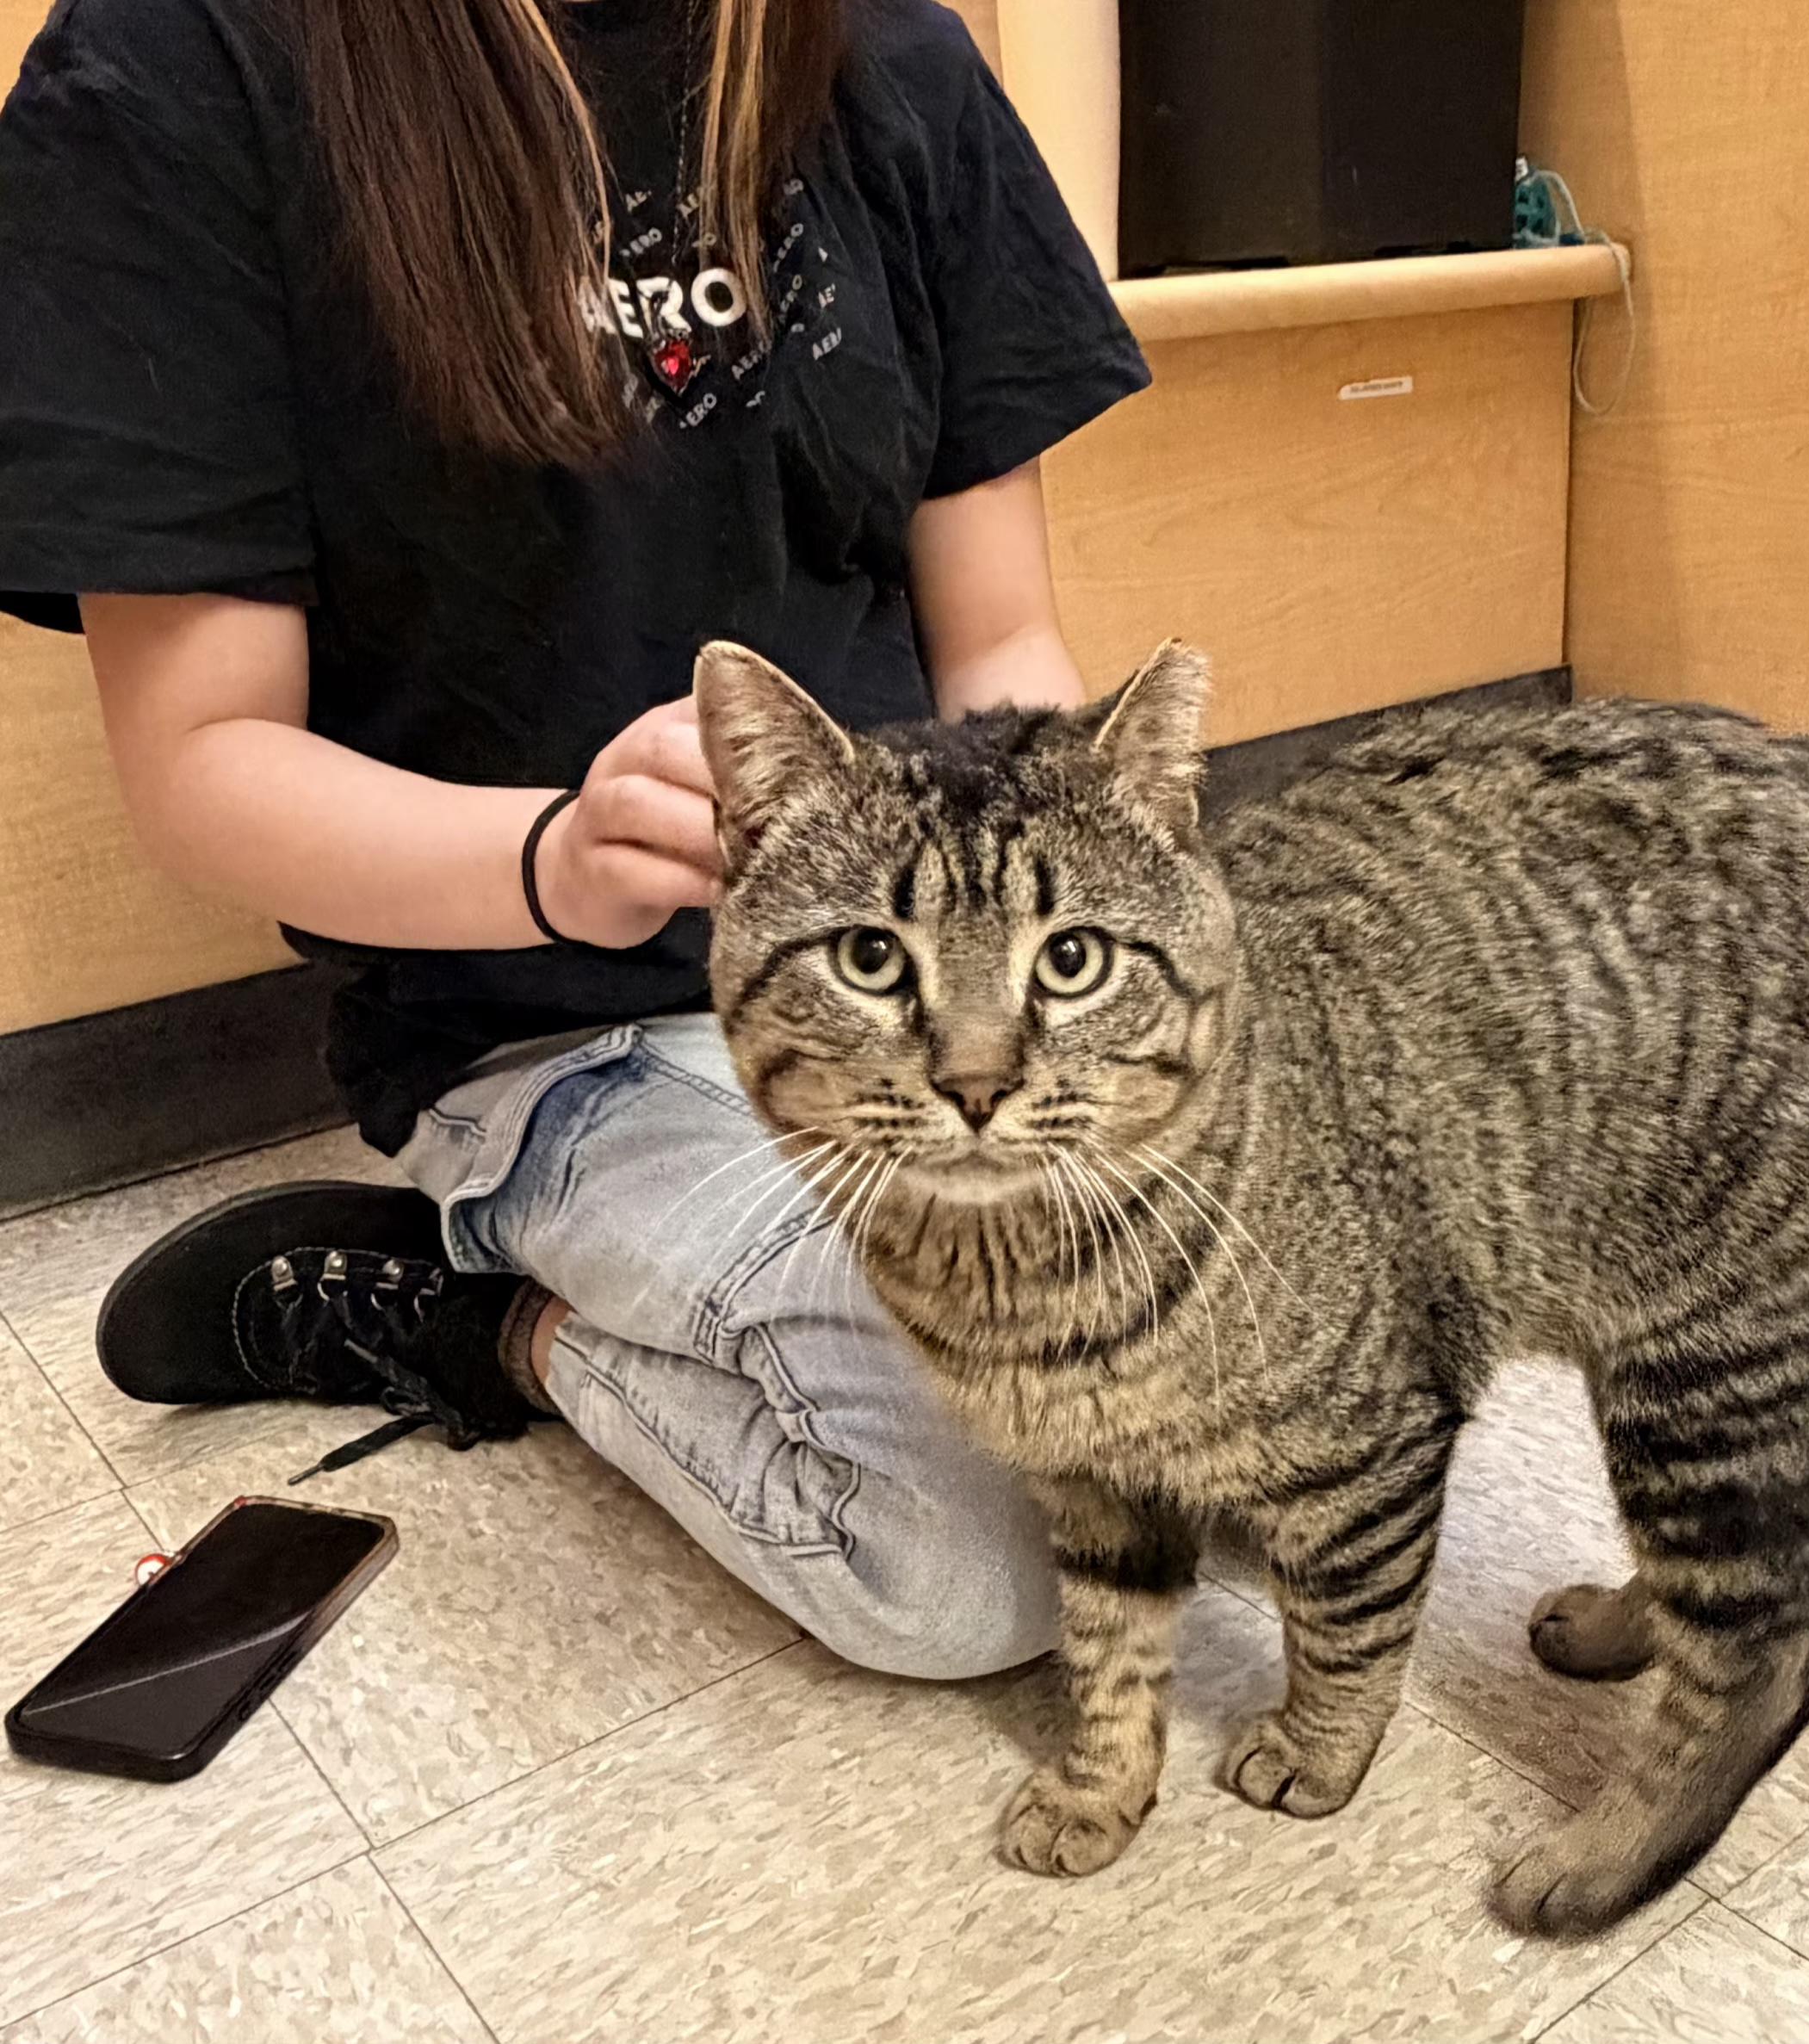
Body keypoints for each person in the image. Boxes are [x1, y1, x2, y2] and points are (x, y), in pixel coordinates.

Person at [0, 0, 1148, 1677]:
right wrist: (557, 857)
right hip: (551, 1021)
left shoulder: (890, 57)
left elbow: (1001, 654)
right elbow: (202, 761)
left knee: (1225, 1383)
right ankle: (497, 1326)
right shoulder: (183, 63)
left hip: (914, 997)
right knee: (981, 1554)